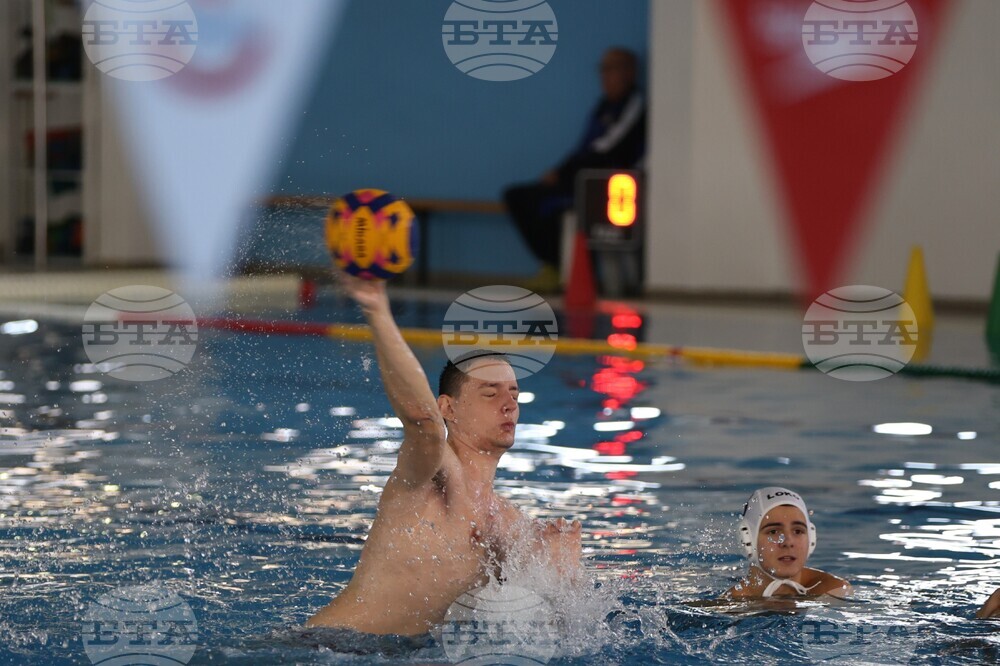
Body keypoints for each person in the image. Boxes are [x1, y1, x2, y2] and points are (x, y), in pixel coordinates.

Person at [306, 273, 582, 635]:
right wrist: (376, 309)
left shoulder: (506, 522)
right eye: (490, 393)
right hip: (320, 649)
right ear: (448, 408)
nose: (509, 405)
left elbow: (560, 629)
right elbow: (423, 422)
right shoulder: (429, 477)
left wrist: (562, 572)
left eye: (514, 394)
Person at [503, 47, 646, 292]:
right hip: (580, 178)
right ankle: (554, 264)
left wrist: (563, 172)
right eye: (602, 69)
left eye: (611, 69)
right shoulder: (602, 107)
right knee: (518, 197)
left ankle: (572, 271)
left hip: (610, 186)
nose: (605, 75)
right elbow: (583, 147)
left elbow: (604, 148)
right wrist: (559, 170)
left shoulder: (635, 104)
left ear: (629, 72)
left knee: (558, 205)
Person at [723, 487, 852, 599]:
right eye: (773, 531)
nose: (788, 542)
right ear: (747, 540)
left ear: (811, 538)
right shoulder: (730, 606)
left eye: (798, 531)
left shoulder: (833, 590)